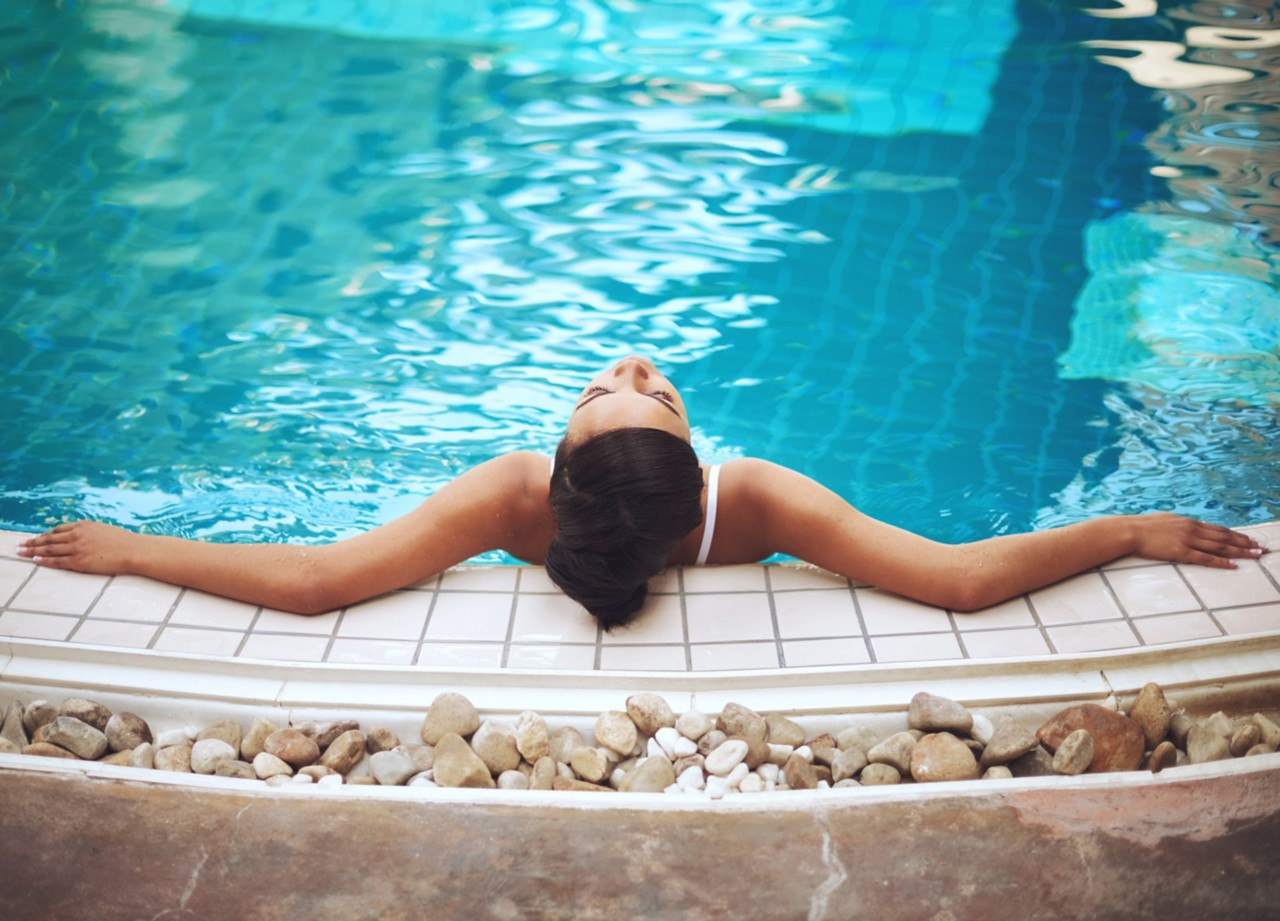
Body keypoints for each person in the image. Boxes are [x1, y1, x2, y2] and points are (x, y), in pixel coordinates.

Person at [16, 355, 1267, 627]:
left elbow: (314, 580)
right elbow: (958, 580)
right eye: (644, 390)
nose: (630, 367)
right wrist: (1128, 524)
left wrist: (134, 547)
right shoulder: (754, 502)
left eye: (625, 390)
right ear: (695, 465)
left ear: (558, 464)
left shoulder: (513, 497)